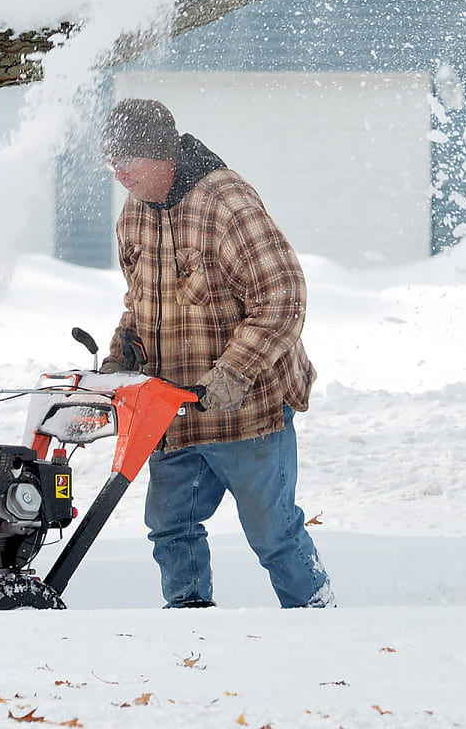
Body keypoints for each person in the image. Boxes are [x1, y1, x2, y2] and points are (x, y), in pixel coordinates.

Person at [98, 98, 333, 609]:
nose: (118, 173)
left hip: (247, 411)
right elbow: (138, 297)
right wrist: (123, 353)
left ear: (161, 155)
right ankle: (190, 630)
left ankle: (317, 617)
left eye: (128, 160)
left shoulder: (226, 204)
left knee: (273, 534)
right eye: (110, 161)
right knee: (170, 531)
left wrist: (232, 373)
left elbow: (283, 297)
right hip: (174, 411)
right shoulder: (135, 211)